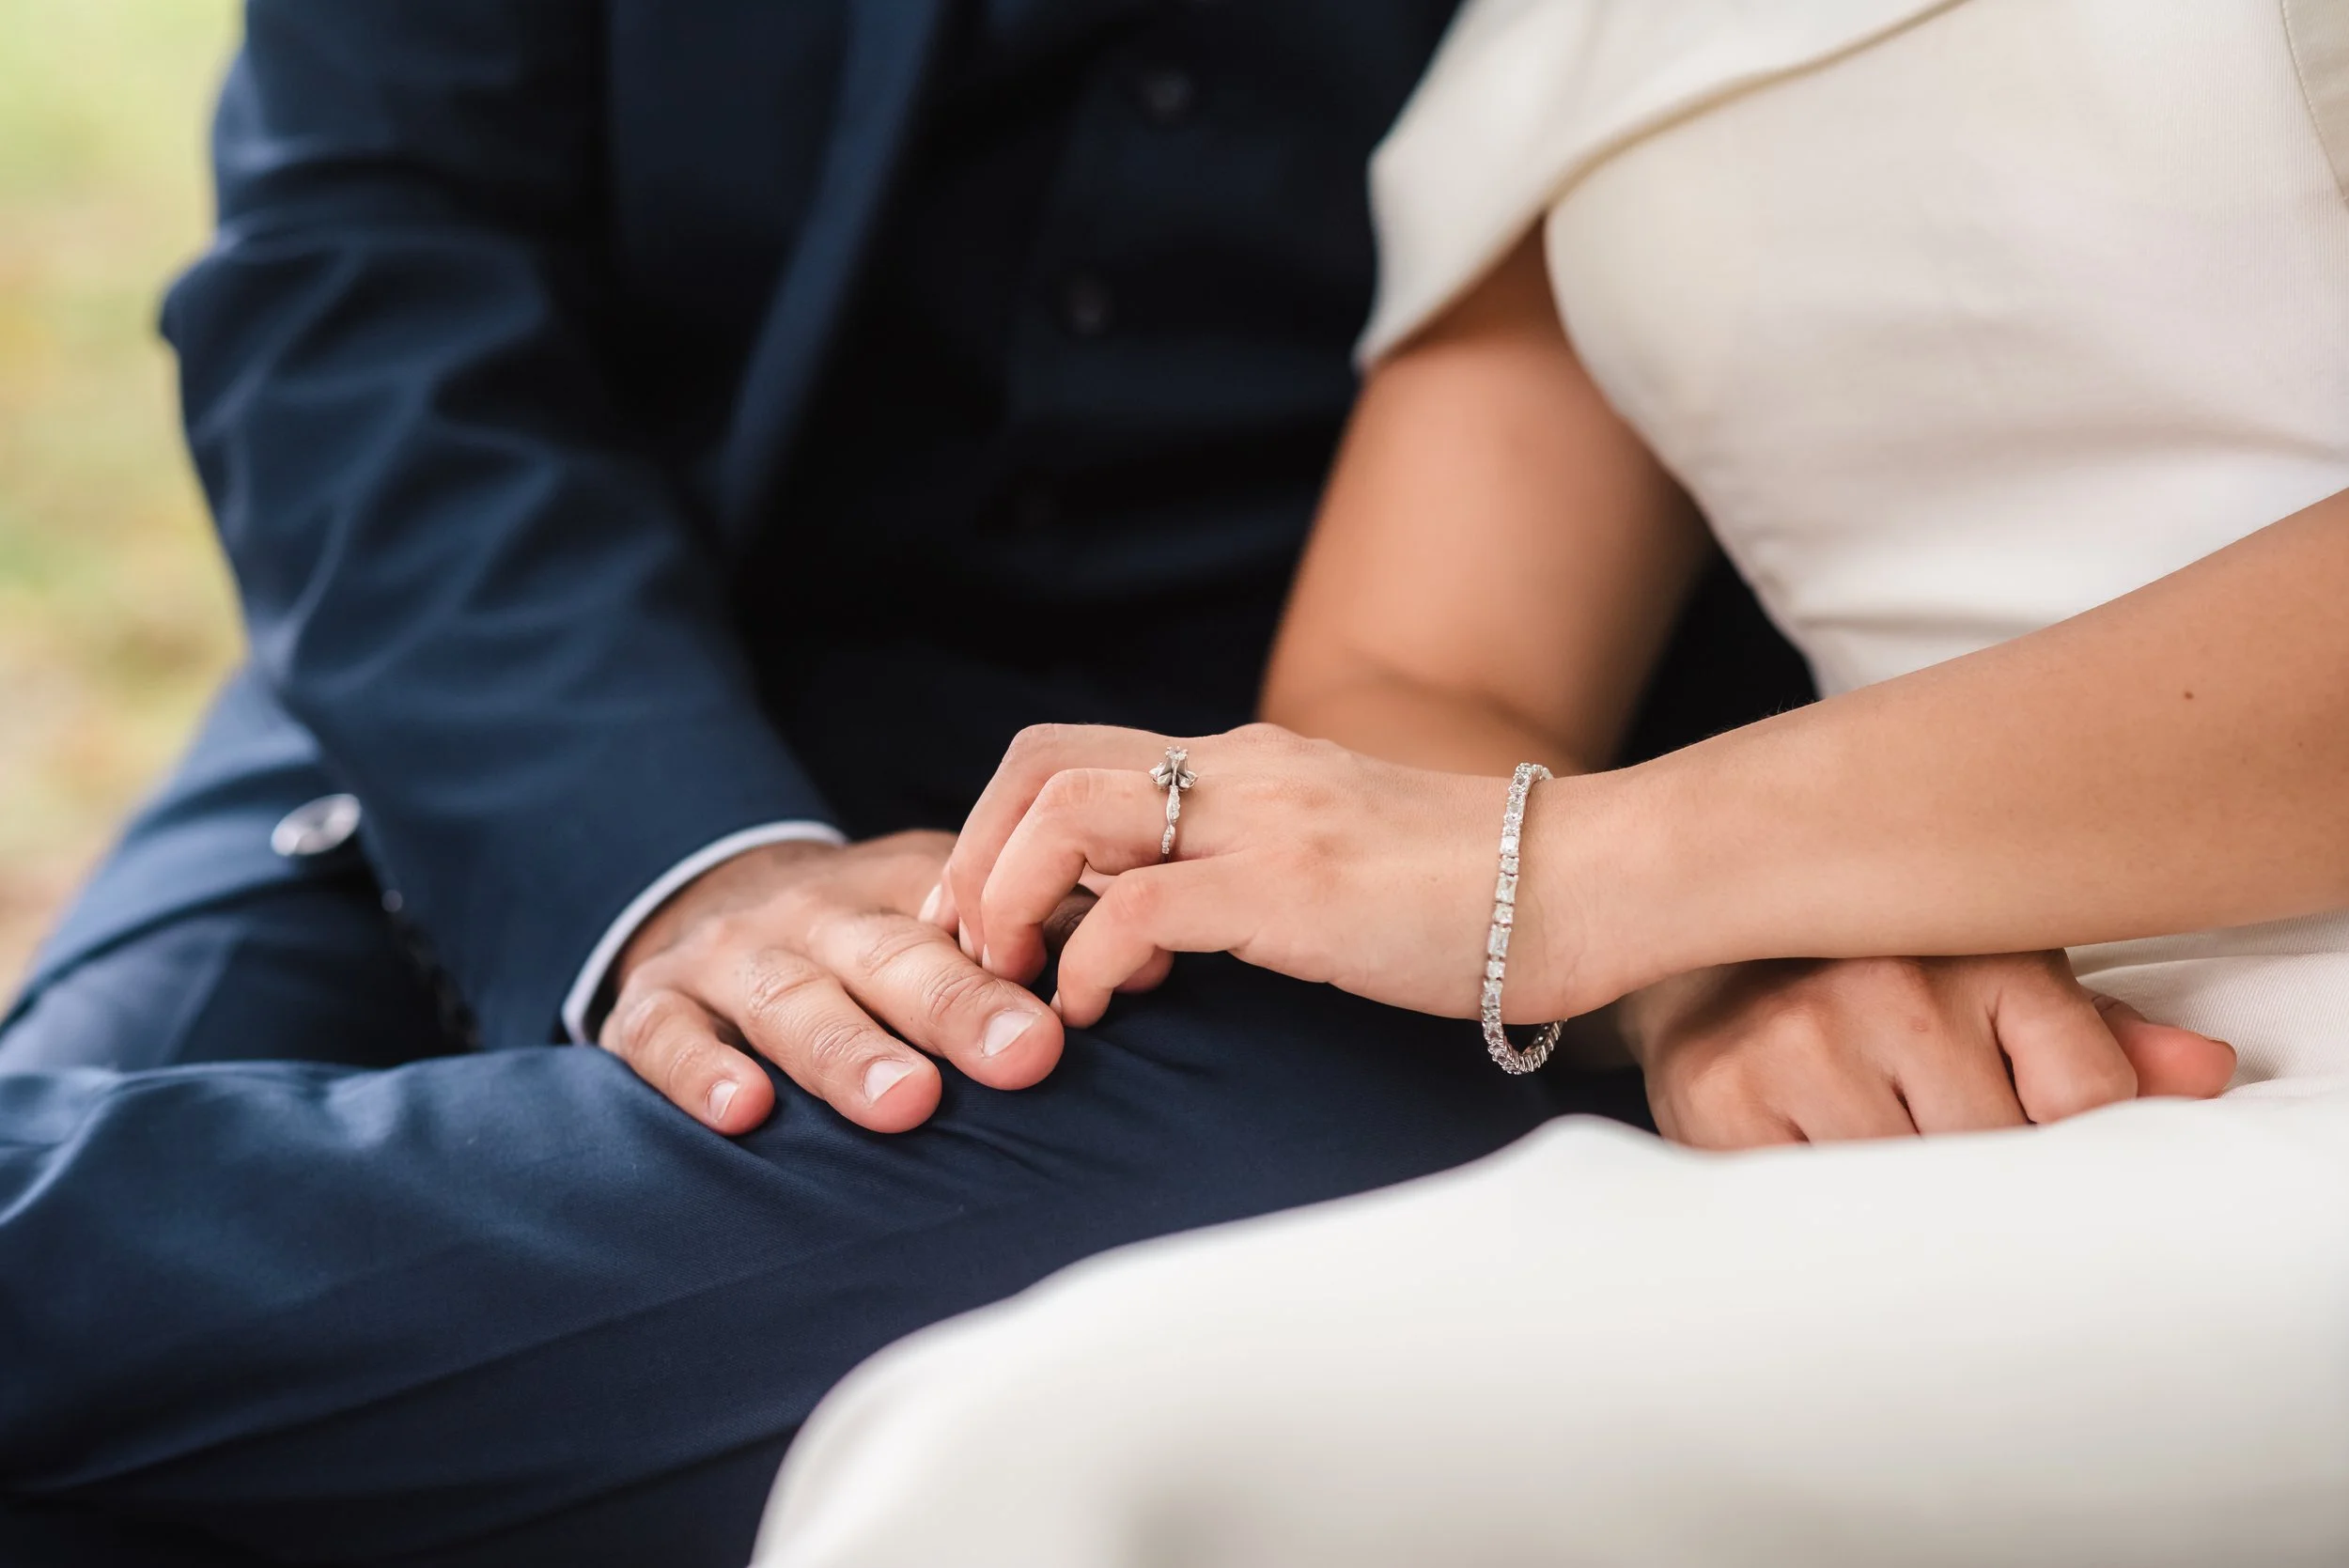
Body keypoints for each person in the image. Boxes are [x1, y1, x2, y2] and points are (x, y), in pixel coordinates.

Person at [0, 1, 2239, 1562]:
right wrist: (676, 862)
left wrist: (1658, 914)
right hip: (545, 701)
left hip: (1329, 848)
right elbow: (363, 259)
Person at [750, 1, 2349, 1562]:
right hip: (1911, 1059)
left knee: (1071, 1467)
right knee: (1010, 1421)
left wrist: (1620, 877)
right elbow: (1426, 676)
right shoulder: (1557, 29)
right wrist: (1719, 971)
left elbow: (1560, 854)